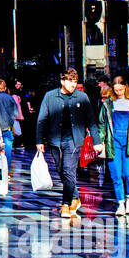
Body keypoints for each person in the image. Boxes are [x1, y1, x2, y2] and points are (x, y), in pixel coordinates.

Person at [36, 68, 97, 219]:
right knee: (61, 170)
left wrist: (97, 141)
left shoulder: (82, 97)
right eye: (70, 81)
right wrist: (39, 140)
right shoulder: (50, 97)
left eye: (75, 81)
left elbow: (91, 120)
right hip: (55, 140)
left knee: (69, 170)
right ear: (62, 81)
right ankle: (75, 197)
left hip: (75, 140)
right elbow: (42, 119)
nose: (73, 84)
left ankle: (66, 203)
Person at [97, 73, 129, 216]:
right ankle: (120, 203)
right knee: (116, 174)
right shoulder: (107, 104)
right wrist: (100, 141)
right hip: (113, 143)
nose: (118, 92)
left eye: (121, 89)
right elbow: (101, 124)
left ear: (125, 87)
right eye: (116, 89)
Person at [0, 79, 18, 184]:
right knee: (8, 151)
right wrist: (10, 121)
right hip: (7, 127)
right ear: (5, 88)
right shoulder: (10, 98)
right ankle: (7, 171)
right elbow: (15, 113)